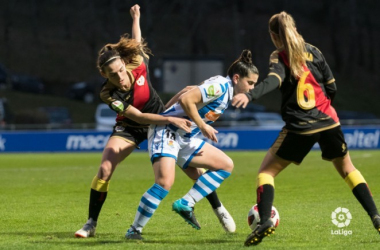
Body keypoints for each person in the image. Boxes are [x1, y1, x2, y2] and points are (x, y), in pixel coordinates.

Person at [75, 4, 235, 238]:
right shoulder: (107, 94)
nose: (120, 77)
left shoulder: (138, 63)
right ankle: (91, 223)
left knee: (196, 173)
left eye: (120, 70)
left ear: (124, 64)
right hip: (130, 128)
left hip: (161, 120)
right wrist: (170, 118)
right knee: (105, 168)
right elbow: (138, 117)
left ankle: (218, 208)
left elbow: (136, 42)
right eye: (112, 74)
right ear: (104, 75)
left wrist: (136, 17)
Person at [231, 11, 380, 247]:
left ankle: (264, 221)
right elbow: (332, 87)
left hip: (300, 126)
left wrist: (250, 94)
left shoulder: (279, 55)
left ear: (273, 34)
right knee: (348, 170)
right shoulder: (315, 51)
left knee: (266, 172)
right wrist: (324, 109)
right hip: (329, 122)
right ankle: (376, 216)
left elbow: (274, 80)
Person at [125, 49, 259, 240]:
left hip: (184, 138)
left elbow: (186, 91)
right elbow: (187, 99)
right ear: (237, 78)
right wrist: (200, 125)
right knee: (164, 182)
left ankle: (186, 203)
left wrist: (169, 111)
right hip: (168, 132)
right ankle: (134, 230)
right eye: (250, 83)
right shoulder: (221, 86)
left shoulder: (225, 91)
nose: (252, 87)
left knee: (226, 165)